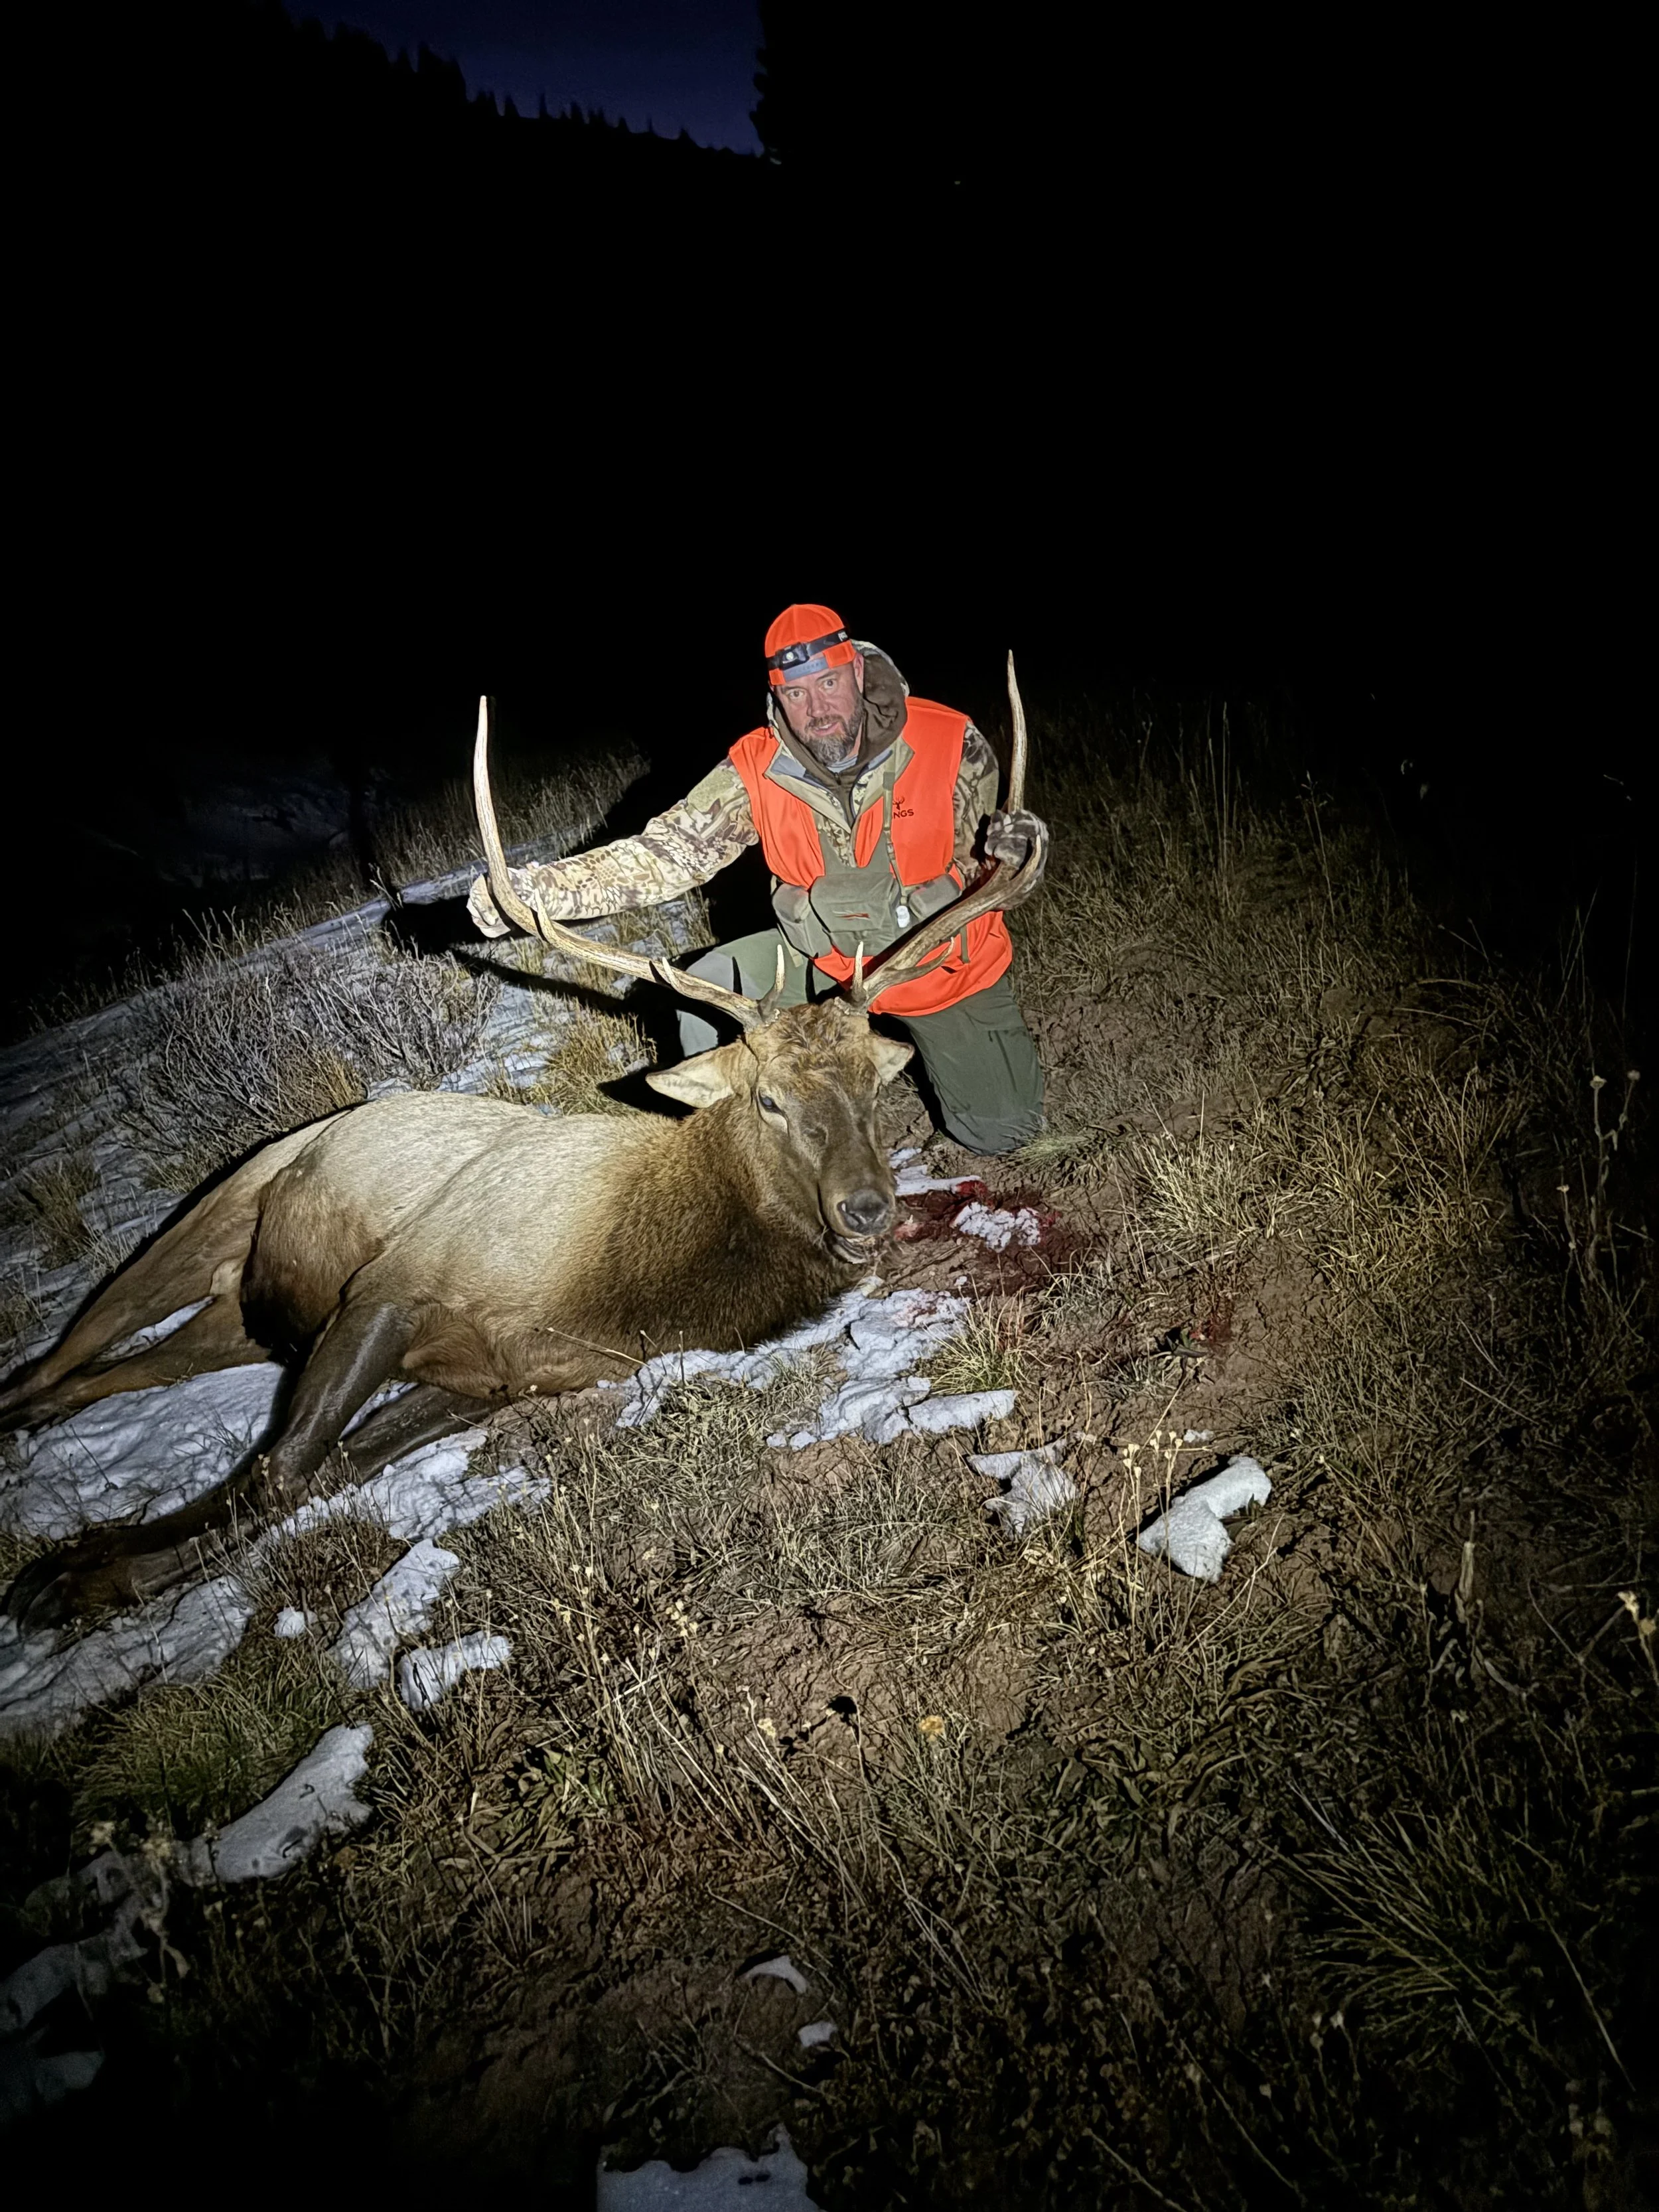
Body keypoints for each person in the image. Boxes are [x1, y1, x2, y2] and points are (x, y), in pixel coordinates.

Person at [469, 604, 1048, 1155]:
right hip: (824, 964)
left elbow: (994, 865)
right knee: (710, 986)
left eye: (828, 683)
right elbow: (665, 854)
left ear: (858, 669)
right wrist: (536, 891)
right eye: (795, 693)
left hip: (942, 974)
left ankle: (920, 1052)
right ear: (777, 697)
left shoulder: (952, 743)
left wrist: (1023, 855)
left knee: (1003, 1131)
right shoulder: (754, 768)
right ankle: (755, 1153)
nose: (817, 708)